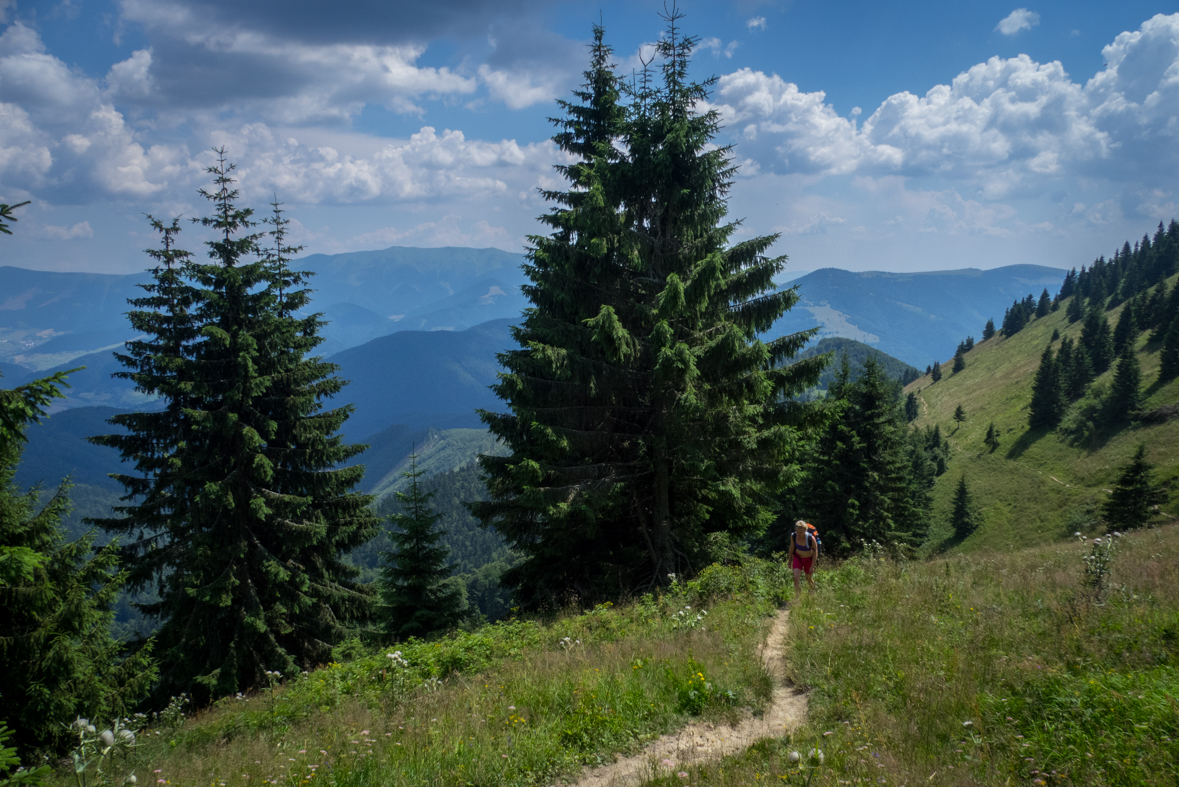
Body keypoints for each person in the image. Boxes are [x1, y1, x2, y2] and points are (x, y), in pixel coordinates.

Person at [788, 519, 817, 595]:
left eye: (800, 532)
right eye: (797, 531)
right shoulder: (793, 536)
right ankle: (798, 595)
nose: (798, 534)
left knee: (808, 578)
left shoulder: (811, 538)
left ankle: (812, 592)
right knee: (796, 577)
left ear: (805, 530)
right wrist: (789, 560)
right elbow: (791, 548)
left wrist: (812, 566)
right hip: (798, 558)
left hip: (808, 560)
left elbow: (815, 553)